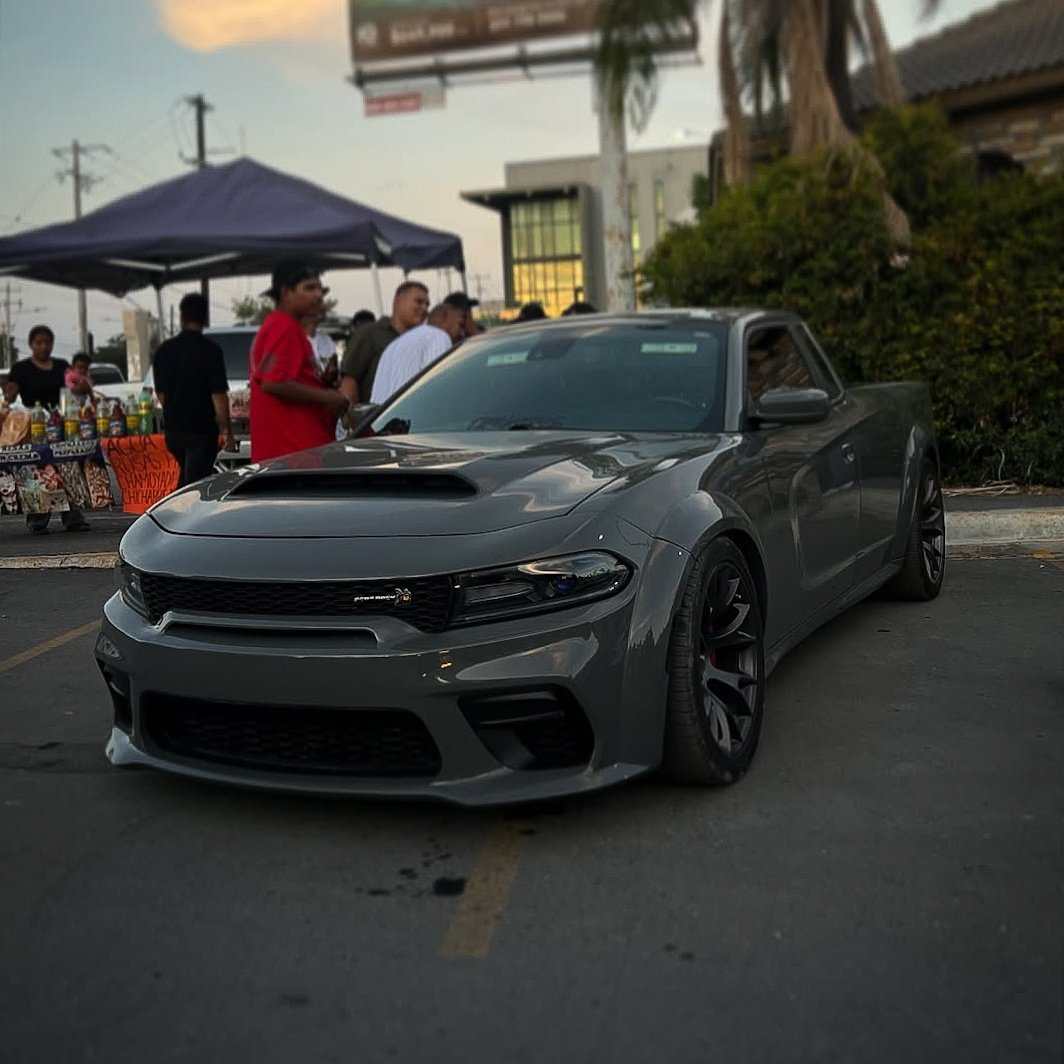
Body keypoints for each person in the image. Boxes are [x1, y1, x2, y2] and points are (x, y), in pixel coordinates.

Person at [249, 261, 349, 463]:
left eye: (320, 289)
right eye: (310, 288)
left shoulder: (281, 326)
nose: (318, 295)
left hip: (295, 455)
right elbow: (273, 381)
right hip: (296, 456)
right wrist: (329, 399)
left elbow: (269, 376)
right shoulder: (283, 326)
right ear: (286, 293)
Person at [8, 324, 90, 533]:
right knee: (38, 472)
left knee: (68, 467)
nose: (44, 347)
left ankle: (73, 518)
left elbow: (74, 390)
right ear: (31, 345)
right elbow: (10, 394)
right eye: (39, 343)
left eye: (48, 343)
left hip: (62, 424)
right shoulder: (21, 369)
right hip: (33, 426)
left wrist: (82, 388)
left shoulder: (62, 366)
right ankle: (37, 520)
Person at [152, 293, 238, 488]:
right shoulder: (211, 350)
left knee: (188, 480)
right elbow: (218, 395)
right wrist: (227, 431)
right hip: (201, 431)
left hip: (173, 431)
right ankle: (181, 515)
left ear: (181, 317)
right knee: (195, 488)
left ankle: (176, 511)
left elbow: (161, 393)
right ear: (205, 318)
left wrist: (174, 410)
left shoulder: (164, 350)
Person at [339, 281, 429, 404]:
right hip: (376, 416)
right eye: (418, 302)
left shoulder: (422, 340)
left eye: (427, 305)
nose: (424, 309)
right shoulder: (370, 333)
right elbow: (349, 381)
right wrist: (353, 418)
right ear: (398, 301)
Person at [369, 303, 465, 404]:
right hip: (412, 415)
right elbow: (439, 387)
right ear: (444, 317)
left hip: (382, 417)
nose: (462, 333)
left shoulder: (396, 343)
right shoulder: (438, 336)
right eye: (460, 325)